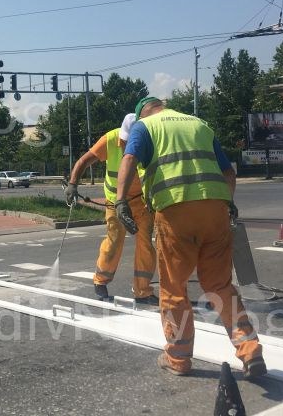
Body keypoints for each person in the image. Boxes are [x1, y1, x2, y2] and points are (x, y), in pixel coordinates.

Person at [115, 96, 266, 378]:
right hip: (216, 209)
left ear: (142, 113)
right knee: (221, 285)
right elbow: (228, 173)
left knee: (173, 288)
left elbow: (130, 159)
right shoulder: (200, 124)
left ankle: (178, 358)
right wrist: (227, 204)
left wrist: (120, 201)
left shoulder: (145, 126)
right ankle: (250, 351)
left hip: (176, 211)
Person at [66, 114, 157, 304]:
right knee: (114, 240)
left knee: (145, 245)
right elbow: (83, 161)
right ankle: (100, 281)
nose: (125, 145)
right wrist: (73, 183)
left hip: (141, 202)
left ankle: (143, 291)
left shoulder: (150, 142)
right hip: (115, 202)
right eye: (124, 140)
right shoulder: (109, 139)